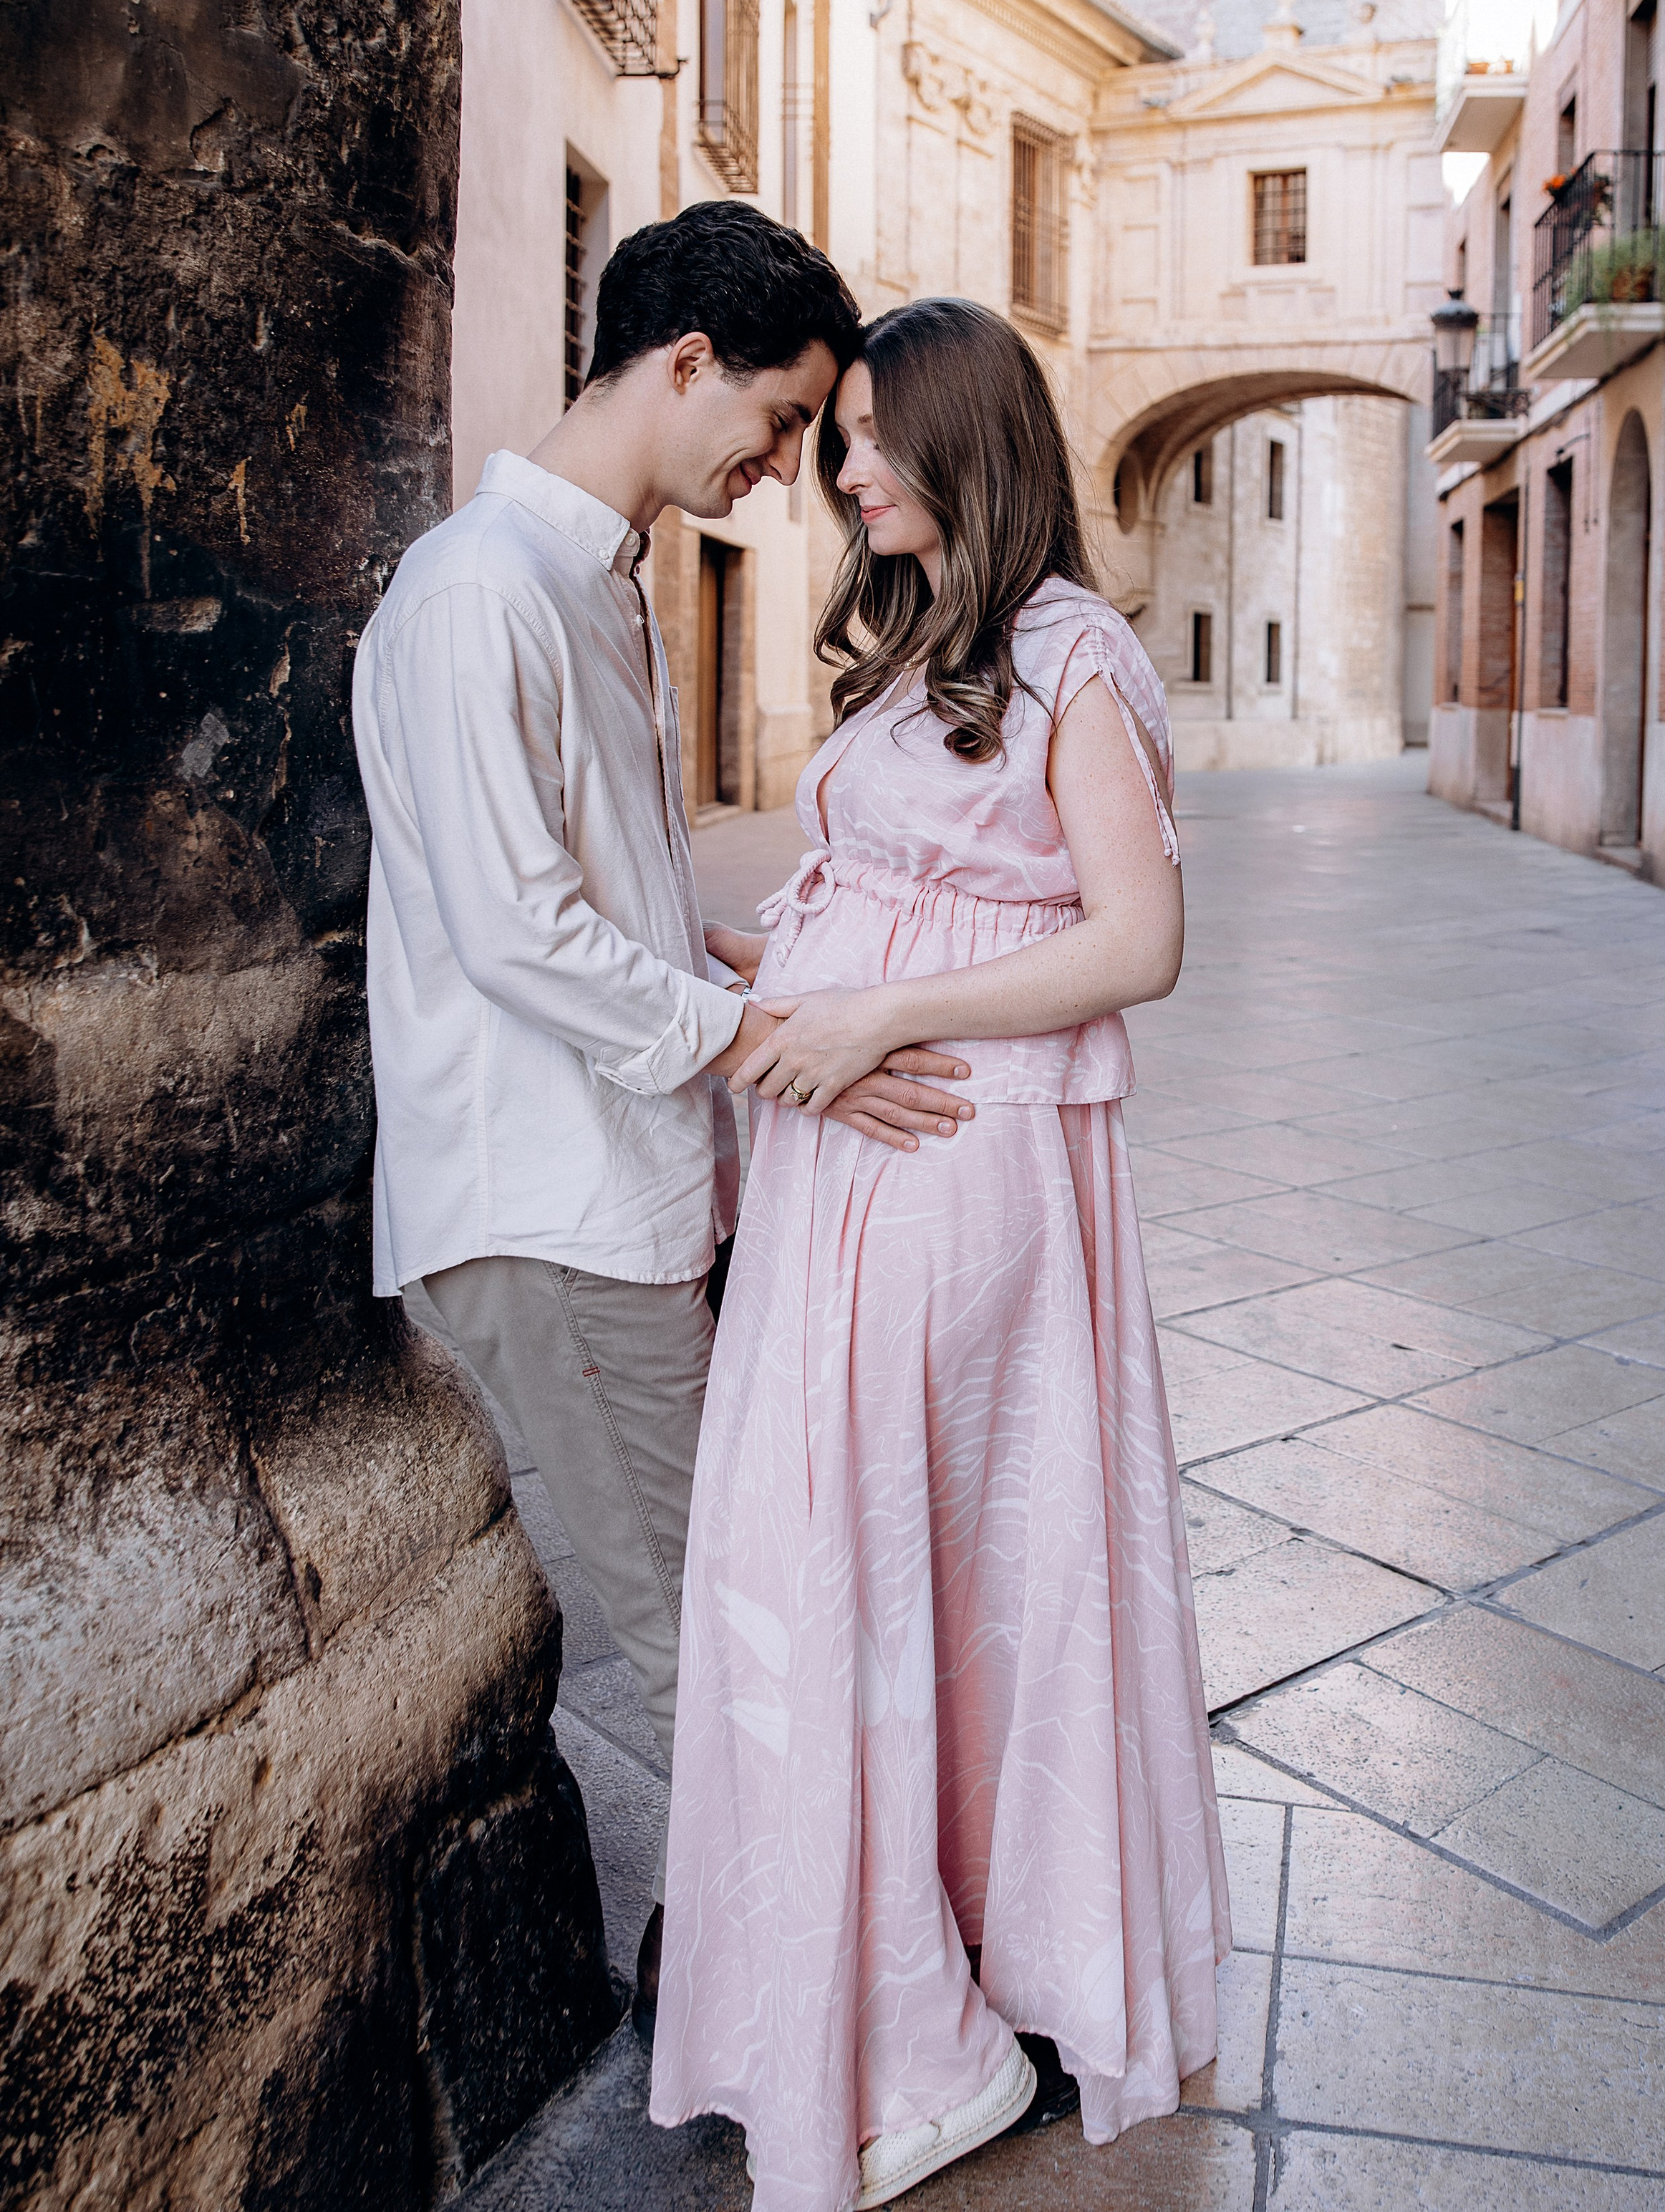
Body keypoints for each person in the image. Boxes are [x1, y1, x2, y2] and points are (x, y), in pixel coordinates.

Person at [351, 206, 976, 2041]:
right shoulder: (477, 590)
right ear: (684, 359)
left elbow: (602, 904)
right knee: (719, 1631)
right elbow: (514, 934)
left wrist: (766, 964)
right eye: (779, 421)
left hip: (620, 1191)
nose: (787, 469)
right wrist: (772, 1044)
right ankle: (787, 2027)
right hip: (545, 1207)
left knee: (736, 1605)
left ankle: (752, 1986)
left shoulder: (597, 579)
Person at [652, 296, 1230, 2210]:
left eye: (876, 435)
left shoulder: (1069, 655)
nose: (844, 468)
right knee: (873, 1557)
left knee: (899, 1553)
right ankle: (912, 1971)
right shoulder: (925, 644)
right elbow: (902, 899)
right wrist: (763, 968)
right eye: (838, 437)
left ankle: (947, 2019)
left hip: (954, 1160)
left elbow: (1135, 941)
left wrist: (879, 1016)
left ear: (970, 439)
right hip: (848, 1151)